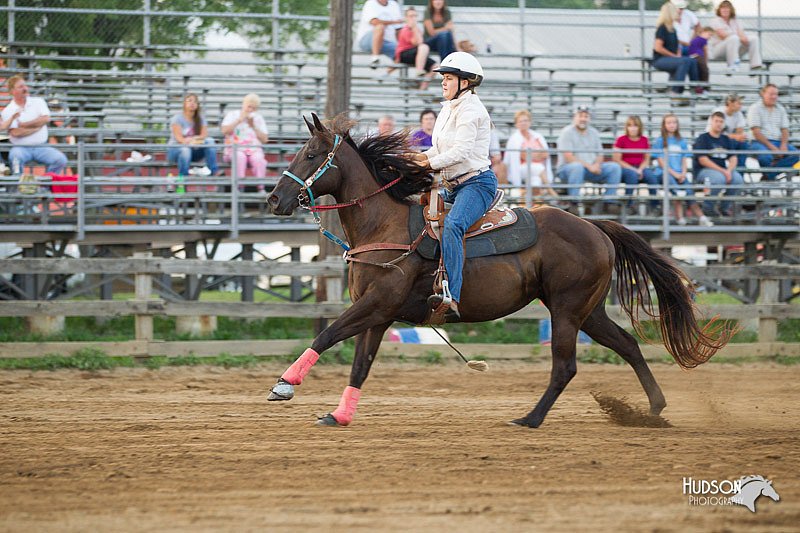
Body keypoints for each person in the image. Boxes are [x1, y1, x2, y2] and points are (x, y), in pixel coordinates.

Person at [410, 52, 497, 318]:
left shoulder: (472, 111)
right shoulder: (448, 108)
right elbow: (438, 148)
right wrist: (420, 157)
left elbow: (460, 152)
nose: (443, 83)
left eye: (448, 78)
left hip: (477, 184)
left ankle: (452, 296)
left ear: (465, 82)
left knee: (454, 225)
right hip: (453, 184)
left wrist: (425, 164)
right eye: (443, 79)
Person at [556, 104, 622, 211]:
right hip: (568, 169)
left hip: (590, 168)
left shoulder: (594, 132)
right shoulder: (566, 132)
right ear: (574, 117)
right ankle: (574, 202)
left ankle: (609, 202)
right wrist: (590, 166)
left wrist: (596, 165)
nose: (583, 119)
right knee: (577, 167)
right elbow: (568, 157)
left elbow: (600, 153)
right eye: (580, 116)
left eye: (586, 116)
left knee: (614, 167)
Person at [651, 113, 713, 226]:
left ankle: (701, 217)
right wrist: (675, 174)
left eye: (674, 122)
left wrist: (683, 173)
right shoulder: (660, 141)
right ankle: (679, 217)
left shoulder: (681, 141)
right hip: (665, 173)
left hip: (680, 174)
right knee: (675, 189)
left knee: (688, 191)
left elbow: (684, 159)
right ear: (664, 125)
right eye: (669, 123)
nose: (671, 125)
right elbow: (661, 161)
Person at [0, 75, 67, 175]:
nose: (25, 88)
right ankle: (18, 188)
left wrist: (24, 125)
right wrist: (37, 127)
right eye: (21, 87)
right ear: (13, 91)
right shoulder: (8, 110)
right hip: (20, 148)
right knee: (15, 159)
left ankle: (45, 187)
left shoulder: (38, 101)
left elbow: (46, 119)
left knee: (60, 160)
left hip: (41, 146)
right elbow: (16, 132)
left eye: (25, 86)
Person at [694, 111, 745, 218]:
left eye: (721, 121)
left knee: (738, 180)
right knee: (719, 179)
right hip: (704, 171)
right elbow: (703, 160)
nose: (718, 124)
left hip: (723, 170)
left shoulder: (726, 139)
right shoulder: (703, 138)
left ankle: (724, 207)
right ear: (711, 122)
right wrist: (723, 171)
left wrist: (729, 171)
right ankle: (708, 207)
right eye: (716, 121)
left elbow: (733, 158)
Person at [747, 83, 799, 180]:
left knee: (797, 155)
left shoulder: (780, 109)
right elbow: (756, 132)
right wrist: (773, 148)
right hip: (759, 142)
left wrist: (783, 145)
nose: (774, 97)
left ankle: (768, 176)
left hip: (778, 141)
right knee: (765, 156)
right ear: (763, 93)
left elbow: (785, 129)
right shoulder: (755, 108)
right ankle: (771, 175)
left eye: (776, 94)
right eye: (771, 94)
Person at [221, 93, 269, 192]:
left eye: (254, 108)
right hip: (234, 148)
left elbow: (265, 139)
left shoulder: (258, 118)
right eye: (249, 106)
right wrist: (239, 120)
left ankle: (261, 187)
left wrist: (253, 126)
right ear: (244, 104)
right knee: (239, 157)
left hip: (254, 149)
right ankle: (239, 187)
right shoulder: (232, 115)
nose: (250, 110)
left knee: (259, 159)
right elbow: (224, 131)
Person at [652, 2, 699, 100]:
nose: (678, 12)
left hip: (671, 58)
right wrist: (674, 56)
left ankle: (695, 89)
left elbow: (677, 45)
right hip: (660, 59)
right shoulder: (662, 28)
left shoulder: (673, 28)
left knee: (692, 60)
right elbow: (658, 48)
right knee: (685, 61)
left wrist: (678, 53)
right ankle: (675, 91)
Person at [503, 110, 556, 196]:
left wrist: (532, 155)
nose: (523, 123)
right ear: (516, 124)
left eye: (525, 120)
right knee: (539, 168)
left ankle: (532, 206)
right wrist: (537, 154)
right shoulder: (514, 139)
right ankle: (553, 193)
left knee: (536, 182)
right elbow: (524, 156)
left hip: (535, 170)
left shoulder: (537, 136)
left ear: (530, 122)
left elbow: (545, 154)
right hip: (521, 168)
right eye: (520, 121)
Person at [167, 93, 219, 179]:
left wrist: (196, 139)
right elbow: (179, 139)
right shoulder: (177, 118)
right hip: (176, 150)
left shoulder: (201, 119)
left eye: (195, 101)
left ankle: (214, 172)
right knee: (185, 150)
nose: (192, 103)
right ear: (184, 104)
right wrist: (191, 141)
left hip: (194, 149)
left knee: (210, 141)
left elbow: (204, 135)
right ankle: (183, 179)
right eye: (189, 101)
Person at [612, 115, 659, 208]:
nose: (633, 128)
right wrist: (633, 169)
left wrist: (640, 169)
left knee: (652, 177)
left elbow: (646, 159)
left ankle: (655, 206)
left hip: (640, 167)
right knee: (632, 176)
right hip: (625, 168)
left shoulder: (644, 140)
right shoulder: (621, 139)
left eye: (635, 126)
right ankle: (628, 205)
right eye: (630, 125)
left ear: (639, 127)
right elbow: (617, 159)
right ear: (627, 127)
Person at [708, 0, 763, 72]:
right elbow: (723, 35)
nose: (725, 10)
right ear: (719, 10)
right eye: (723, 8)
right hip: (719, 50)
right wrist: (739, 36)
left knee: (753, 38)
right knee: (733, 38)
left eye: (727, 8)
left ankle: (755, 66)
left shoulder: (735, 20)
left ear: (731, 10)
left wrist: (744, 39)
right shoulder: (715, 20)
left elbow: (742, 35)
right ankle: (732, 66)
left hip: (735, 49)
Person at [395, 7, 437, 90]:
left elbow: (420, 41)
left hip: (416, 55)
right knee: (424, 47)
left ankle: (422, 87)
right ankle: (419, 71)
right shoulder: (405, 29)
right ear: (406, 18)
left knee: (435, 67)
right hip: (404, 54)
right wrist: (414, 28)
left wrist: (415, 28)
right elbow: (416, 42)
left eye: (415, 16)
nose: (413, 18)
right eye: (411, 16)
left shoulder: (417, 29)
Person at [356, 0, 404, 69]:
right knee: (380, 27)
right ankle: (375, 59)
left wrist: (402, 46)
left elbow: (398, 29)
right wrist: (394, 22)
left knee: (404, 54)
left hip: (386, 42)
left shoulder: (394, 4)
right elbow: (374, 22)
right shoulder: (370, 3)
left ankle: (385, 75)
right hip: (367, 41)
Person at [706, 93, 749, 168]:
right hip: (713, 140)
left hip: (729, 141)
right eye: (738, 103)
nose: (740, 105)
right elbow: (713, 133)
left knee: (743, 144)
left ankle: (740, 170)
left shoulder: (739, 114)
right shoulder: (718, 112)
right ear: (730, 103)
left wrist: (738, 137)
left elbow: (739, 134)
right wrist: (735, 136)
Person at [687, 26, 713, 93]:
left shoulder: (696, 38)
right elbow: (705, 51)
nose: (710, 37)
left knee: (700, 71)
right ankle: (705, 88)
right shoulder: (703, 39)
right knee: (705, 70)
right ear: (703, 32)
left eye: (711, 35)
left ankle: (701, 88)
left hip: (694, 56)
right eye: (709, 34)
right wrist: (706, 60)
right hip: (697, 56)